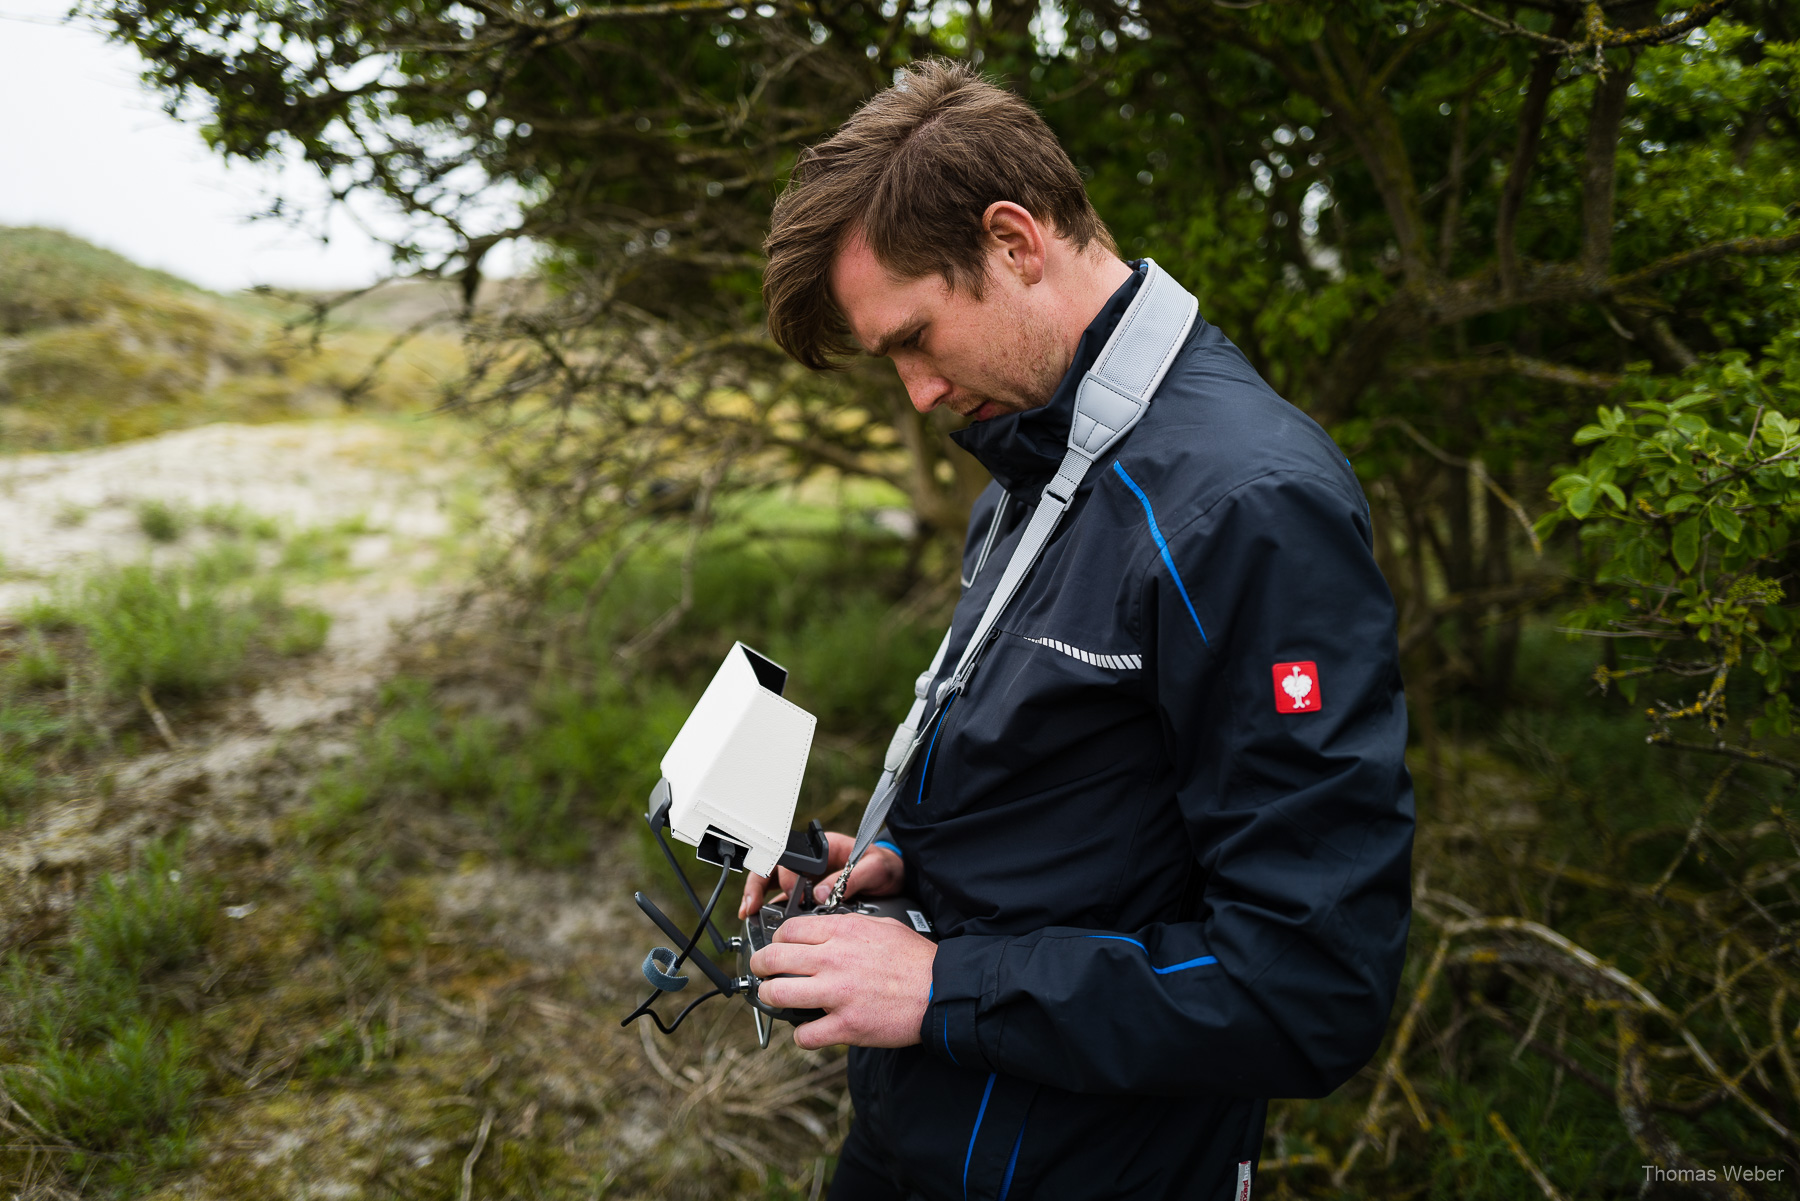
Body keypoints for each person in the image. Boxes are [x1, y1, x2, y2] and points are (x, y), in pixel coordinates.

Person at [740, 59, 1414, 1201]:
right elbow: (1096, 798)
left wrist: (945, 984)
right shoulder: (1037, 444)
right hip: (920, 1130)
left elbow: (1311, 981)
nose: (917, 394)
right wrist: (913, 870)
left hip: (1094, 1165)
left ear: (1014, 242)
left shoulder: (1247, 504)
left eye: (916, 338)